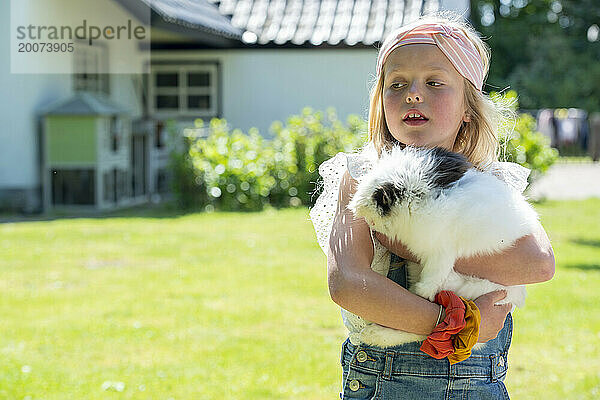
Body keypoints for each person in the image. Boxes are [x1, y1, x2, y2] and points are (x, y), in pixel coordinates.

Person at [309, 12, 555, 399]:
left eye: (434, 82)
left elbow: (537, 262)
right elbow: (347, 283)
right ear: (380, 103)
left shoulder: (492, 181)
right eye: (397, 84)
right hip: (385, 387)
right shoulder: (361, 176)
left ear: (468, 108)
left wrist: (411, 242)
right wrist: (459, 324)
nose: (413, 93)